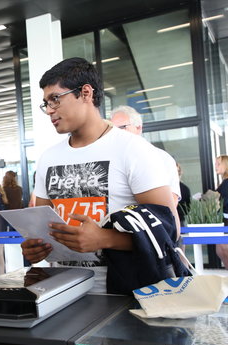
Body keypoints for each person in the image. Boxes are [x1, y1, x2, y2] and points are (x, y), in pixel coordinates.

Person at [21, 57, 178, 293]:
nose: (50, 110)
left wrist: (105, 239)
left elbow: (168, 229)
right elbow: (42, 226)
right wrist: (34, 247)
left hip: (126, 291)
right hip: (62, 291)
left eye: (55, 99)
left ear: (85, 93)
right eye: (46, 103)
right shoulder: (47, 158)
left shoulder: (132, 148)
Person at [110, 105, 181, 205]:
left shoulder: (162, 158)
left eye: (121, 128)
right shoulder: (112, 158)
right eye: (112, 129)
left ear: (138, 128)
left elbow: (170, 203)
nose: (115, 134)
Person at [215, 155, 228, 269]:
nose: (215, 166)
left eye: (218, 164)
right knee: (220, 250)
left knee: (223, 249)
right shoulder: (223, 183)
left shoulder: (226, 183)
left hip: (226, 220)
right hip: (223, 220)